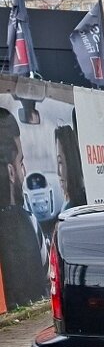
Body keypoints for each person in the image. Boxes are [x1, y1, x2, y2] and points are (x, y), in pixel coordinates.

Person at [0, 108, 49, 309]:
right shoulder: (30, 222)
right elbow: (48, 275)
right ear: (11, 172)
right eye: (21, 163)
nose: (25, 171)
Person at [55, 123, 87, 209]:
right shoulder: (69, 203)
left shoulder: (71, 209)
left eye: (60, 162)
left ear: (71, 163)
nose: (58, 172)